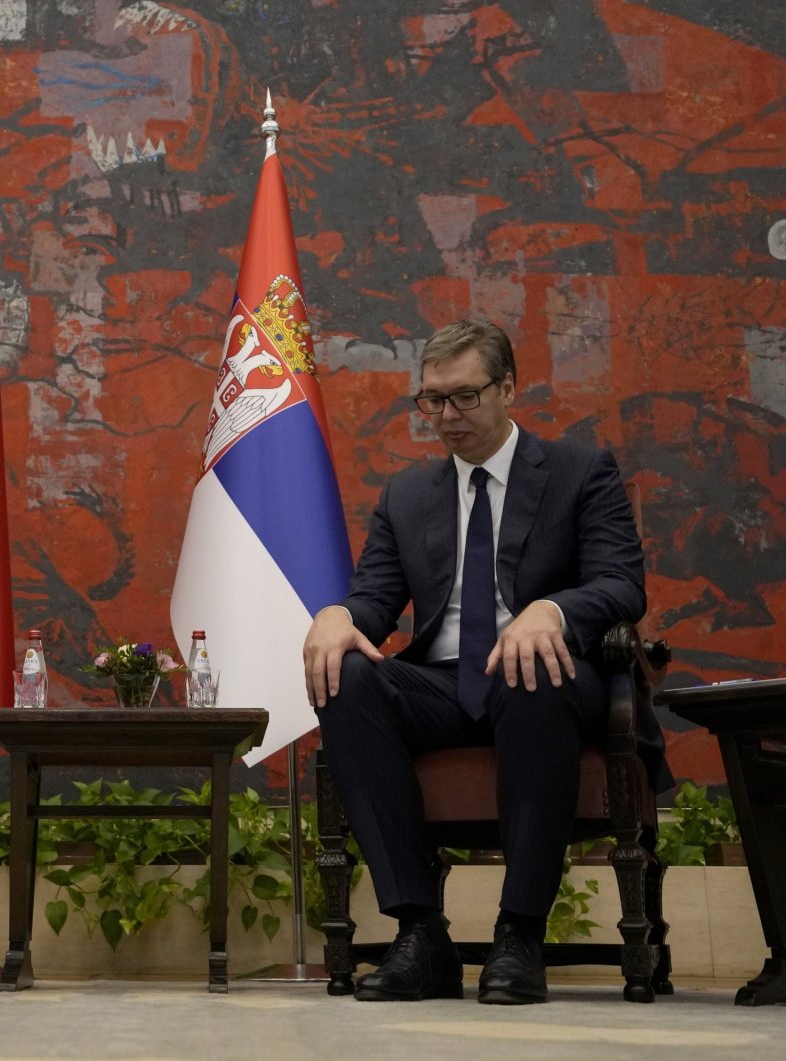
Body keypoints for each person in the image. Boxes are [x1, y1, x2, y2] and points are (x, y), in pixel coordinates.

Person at [303, 319, 668, 1005]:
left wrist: (552, 611)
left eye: (465, 397)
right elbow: (375, 598)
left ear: (508, 388)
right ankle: (420, 933)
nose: (447, 417)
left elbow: (622, 581)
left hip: (546, 679)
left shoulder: (579, 470)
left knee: (532, 670)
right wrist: (338, 617)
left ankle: (519, 932)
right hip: (442, 685)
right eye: (431, 400)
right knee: (347, 674)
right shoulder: (407, 496)